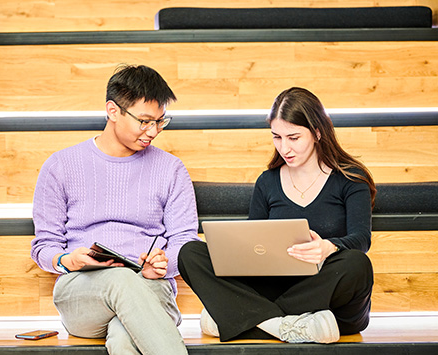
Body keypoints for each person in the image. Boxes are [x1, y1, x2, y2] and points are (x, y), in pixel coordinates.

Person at [178, 87, 376, 344]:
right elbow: (254, 243)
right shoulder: (268, 181)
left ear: (317, 132)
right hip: (278, 288)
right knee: (190, 253)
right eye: (277, 137)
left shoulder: (350, 179)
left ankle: (241, 319)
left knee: (356, 264)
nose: (285, 147)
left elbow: (361, 239)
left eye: (294, 138)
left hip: (329, 294)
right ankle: (288, 326)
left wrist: (328, 247)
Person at [31, 64, 199, 355]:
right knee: (121, 279)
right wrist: (68, 260)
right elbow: (44, 247)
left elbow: (185, 242)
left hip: (150, 288)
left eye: (160, 122)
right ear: (113, 111)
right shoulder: (61, 166)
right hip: (82, 293)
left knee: (123, 339)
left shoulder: (170, 169)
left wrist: (161, 265)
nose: (153, 132)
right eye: (144, 121)